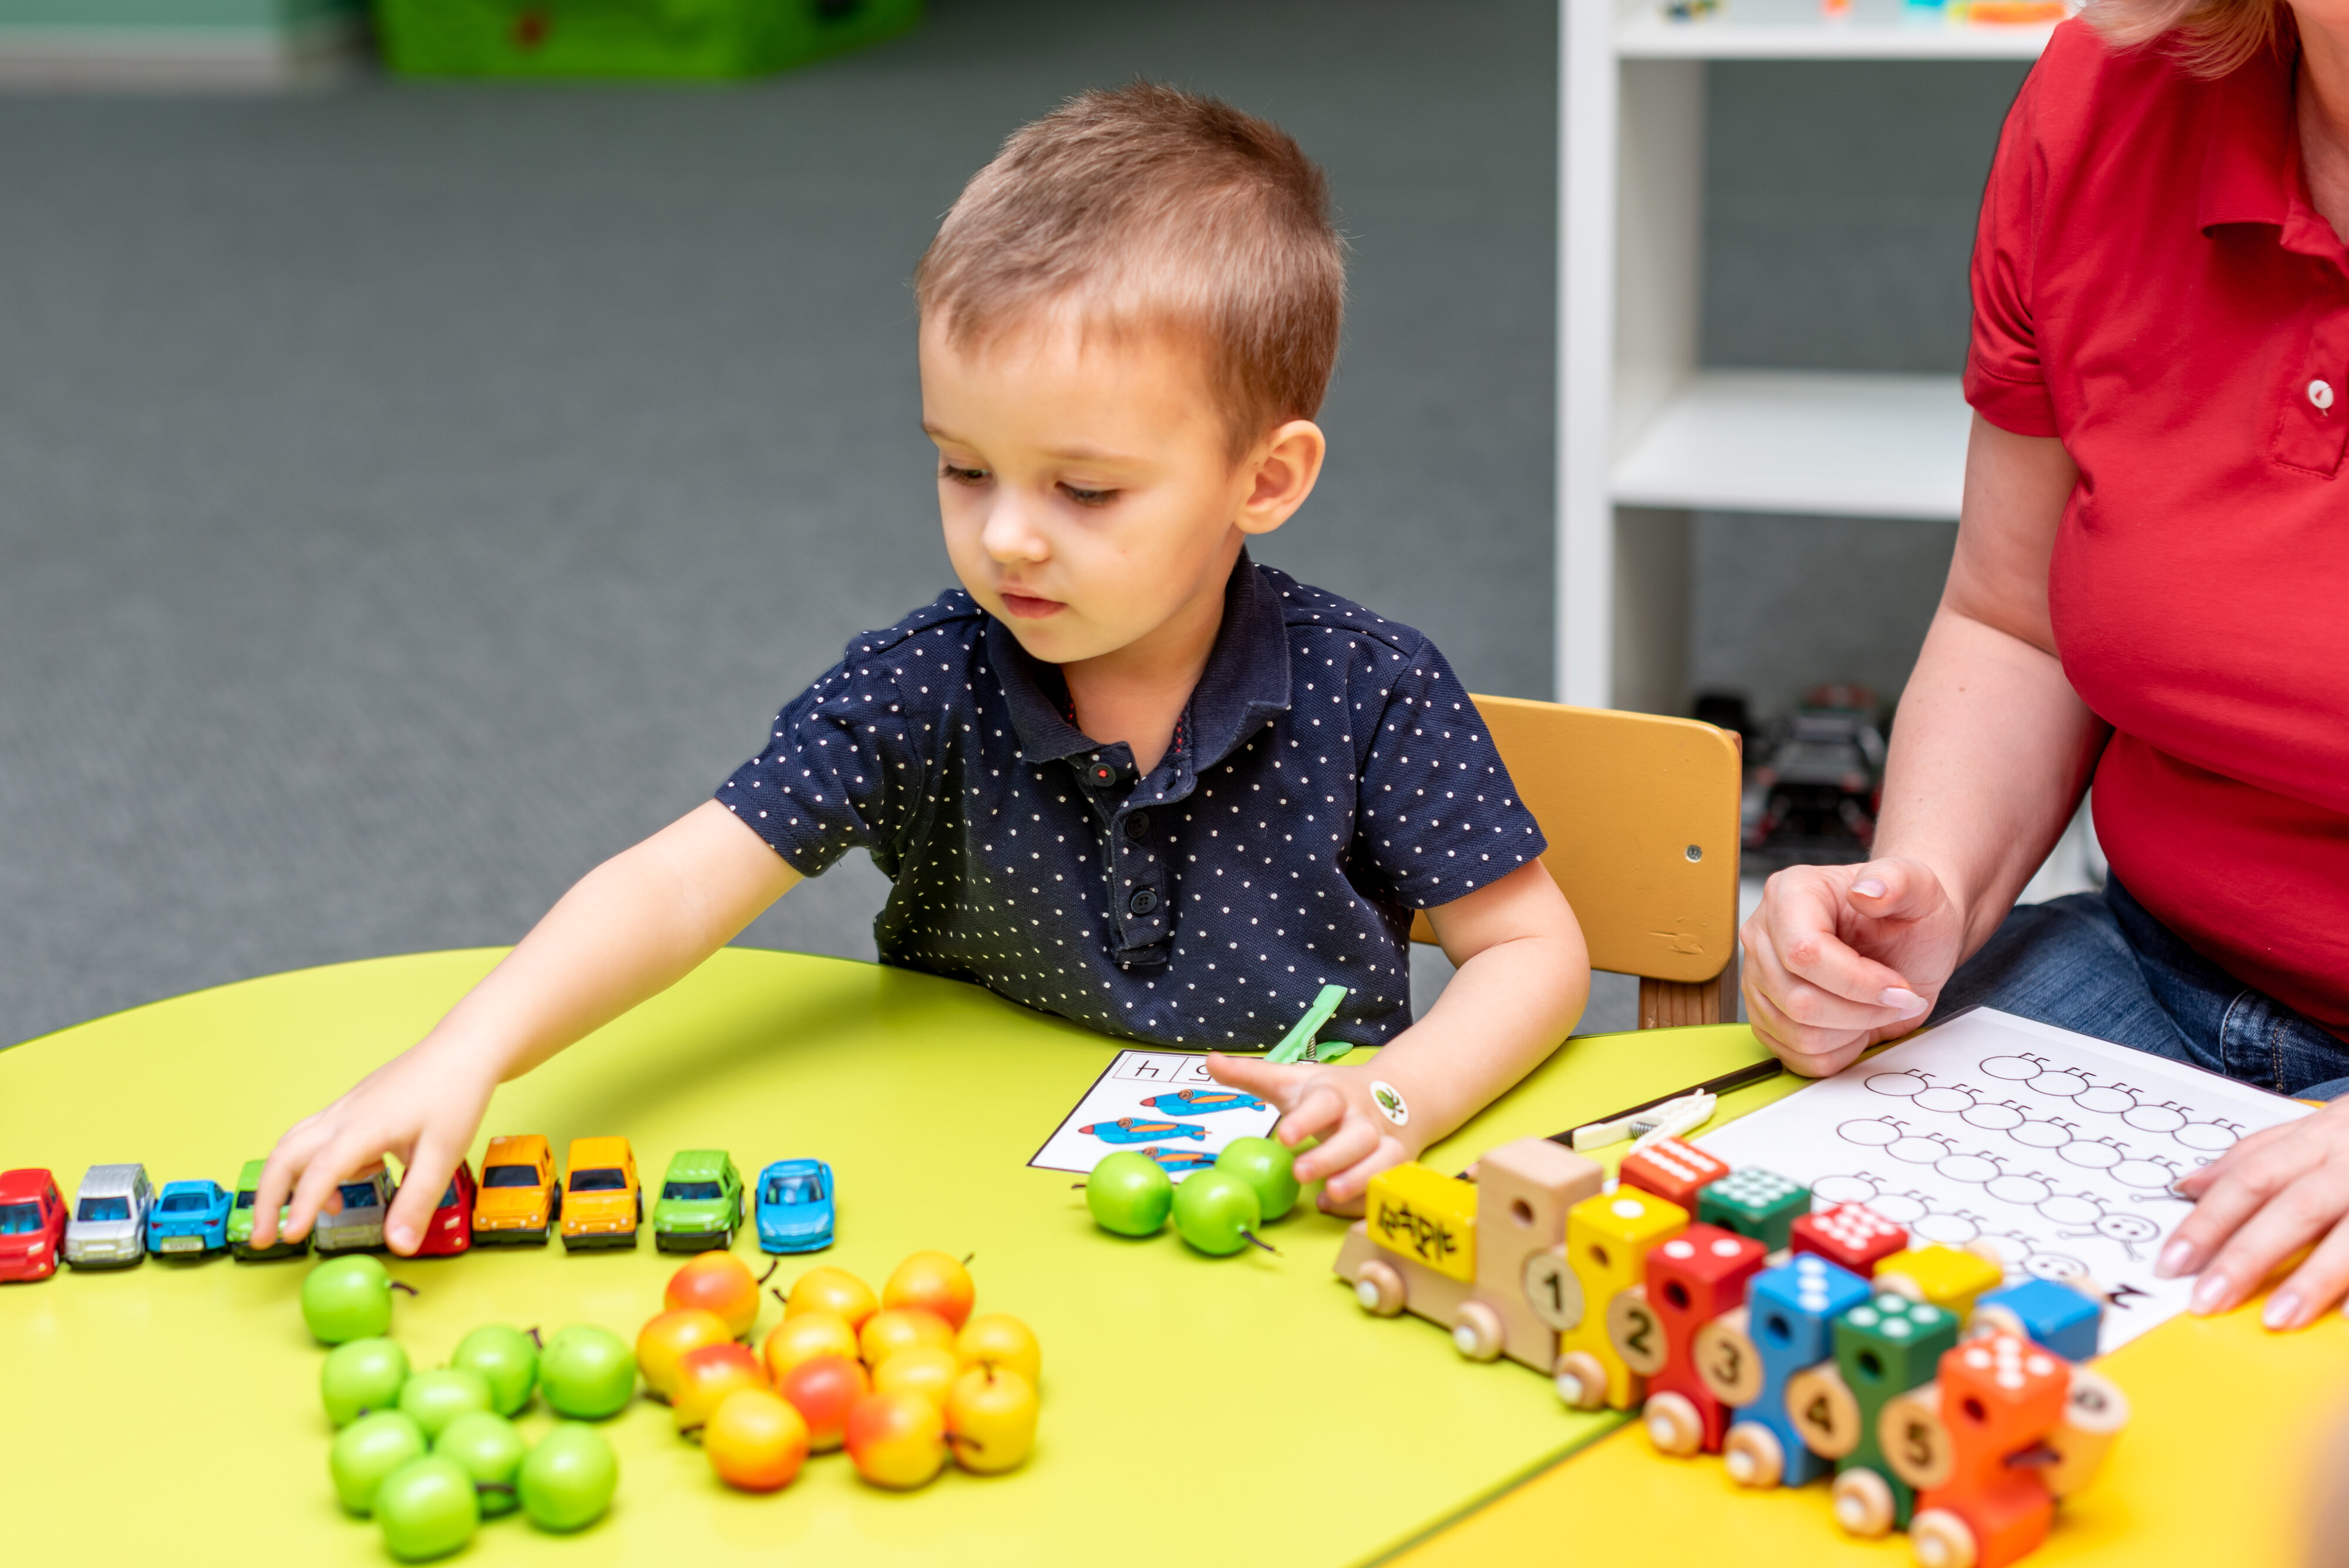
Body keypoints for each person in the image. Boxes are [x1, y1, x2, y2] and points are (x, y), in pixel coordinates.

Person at [249, 84, 1590, 1257]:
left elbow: (1531, 949)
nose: (1005, 533)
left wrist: (1398, 1097)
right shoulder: (917, 687)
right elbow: (675, 884)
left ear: (1265, 479)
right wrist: (463, 1054)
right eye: (962, 467)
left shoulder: (1376, 692)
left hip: (1282, 1229)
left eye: (1082, 487)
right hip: (957, 1227)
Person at [1741, 0, 2349, 1329]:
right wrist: (1927, 890)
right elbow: (2014, 617)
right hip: (2163, 963)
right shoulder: (2103, 100)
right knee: (1792, 1277)